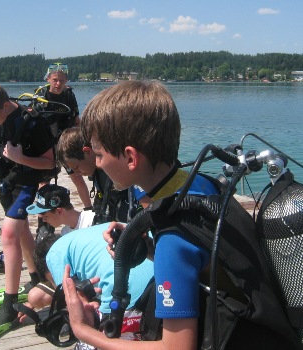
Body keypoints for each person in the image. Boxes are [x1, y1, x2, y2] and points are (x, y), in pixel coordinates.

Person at [60, 80, 295, 350]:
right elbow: (203, 258)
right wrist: (148, 248)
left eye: (99, 155)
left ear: (131, 158)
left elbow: (176, 348)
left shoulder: (173, 240)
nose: (98, 163)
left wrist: (84, 331)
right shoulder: (202, 185)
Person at [0, 82, 55, 324]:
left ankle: (9, 305)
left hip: (27, 181)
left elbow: (50, 162)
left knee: (8, 233)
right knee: (21, 233)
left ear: (5, 104)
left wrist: (21, 158)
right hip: (6, 181)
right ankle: (35, 275)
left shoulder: (33, 122)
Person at [35, 63, 92, 237]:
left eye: (61, 80)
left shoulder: (69, 94)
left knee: (77, 177)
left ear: (66, 80)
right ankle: (44, 221)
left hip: (65, 144)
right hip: (47, 145)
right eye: (55, 80)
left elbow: (76, 119)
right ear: (48, 79)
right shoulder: (41, 96)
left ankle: (90, 211)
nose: (58, 84)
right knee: (44, 183)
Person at [56, 127, 135, 224]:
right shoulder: (95, 171)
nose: (76, 173)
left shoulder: (113, 170)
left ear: (88, 152)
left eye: (76, 167)